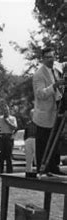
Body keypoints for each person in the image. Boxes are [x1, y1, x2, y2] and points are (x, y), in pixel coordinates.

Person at [32, 46, 67, 175]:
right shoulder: (38, 75)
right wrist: (54, 86)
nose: (50, 60)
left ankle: (54, 166)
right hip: (44, 114)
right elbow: (40, 94)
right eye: (47, 58)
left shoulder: (57, 65)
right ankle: (42, 167)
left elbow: (64, 64)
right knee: (43, 140)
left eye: (52, 57)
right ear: (42, 59)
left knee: (56, 140)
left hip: (57, 108)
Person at [0, 103, 18, 173]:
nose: (5, 112)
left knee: (8, 156)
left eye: (7, 110)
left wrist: (8, 122)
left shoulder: (12, 118)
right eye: (4, 110)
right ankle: (1, 172)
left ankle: (9, 172)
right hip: (2, 137)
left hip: (9, 137)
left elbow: (15, 127)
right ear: (2, 111)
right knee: (1, 156)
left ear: (9, 111)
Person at [24, 108, 37, 174]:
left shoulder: (38, 123)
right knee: (28, 157)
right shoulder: (28, 123)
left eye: (33, 114)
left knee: (36, 156)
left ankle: (38, 170)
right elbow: (25, 133)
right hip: (28, 140)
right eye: (31, 114)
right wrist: (25, 140)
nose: (32, 115)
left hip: (35, 140)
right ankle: (28, 171)